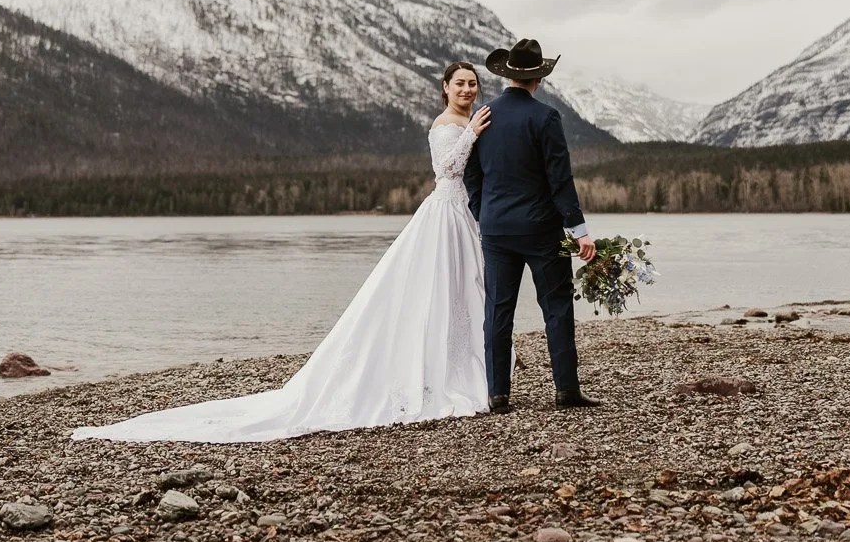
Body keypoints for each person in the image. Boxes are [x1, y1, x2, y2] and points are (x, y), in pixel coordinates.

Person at [70, 62, 493, 443]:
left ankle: (461, 363)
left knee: (457, 293)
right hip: (443, 212)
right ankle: (435, 373)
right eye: (460, 83)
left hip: (462, 213)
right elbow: (447, 170)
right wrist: (471, 135)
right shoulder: (445, 125)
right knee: (435, 290)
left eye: (472, 83)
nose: (468, 89)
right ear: (444, 87)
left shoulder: (467, 117)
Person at [466, 38, 600, 411]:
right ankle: (566, 390)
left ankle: (497, 394)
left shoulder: (483, 115)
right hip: (541, 229)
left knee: (498, 310)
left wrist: (483, 211)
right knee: (556, 306)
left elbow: (471, 173)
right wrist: (579, 231)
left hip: (495, 228)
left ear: (508, 75)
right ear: (538, 79)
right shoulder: (546, 118)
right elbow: (560, 179)